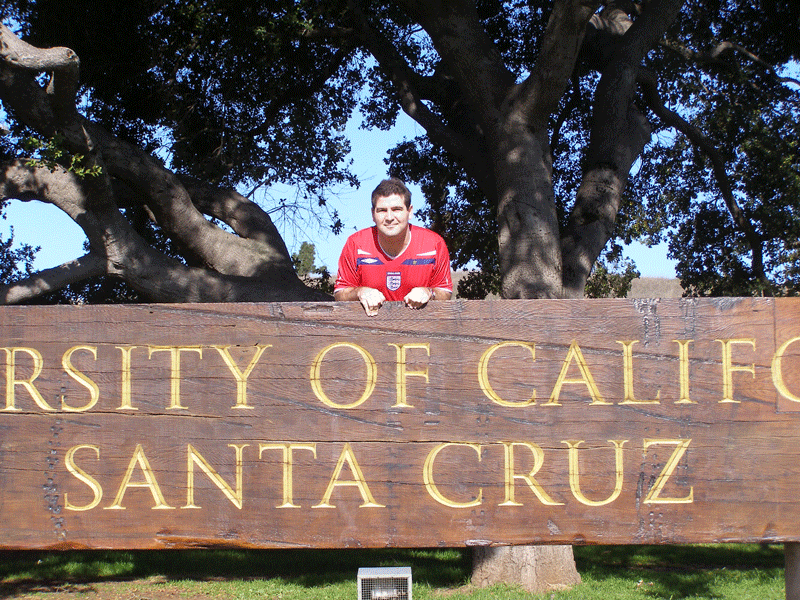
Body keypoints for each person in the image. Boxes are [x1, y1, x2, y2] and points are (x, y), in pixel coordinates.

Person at [334, 178, 452, 316]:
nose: (389, 217)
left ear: (410, 211)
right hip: (370, 331)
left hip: (420, 331)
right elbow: (340, 294)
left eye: (397, 209)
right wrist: (360, 292)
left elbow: (445, 292)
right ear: (373, 214)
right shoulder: (356, 244)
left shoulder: (434, 244)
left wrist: (428, 292)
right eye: (382, 210)